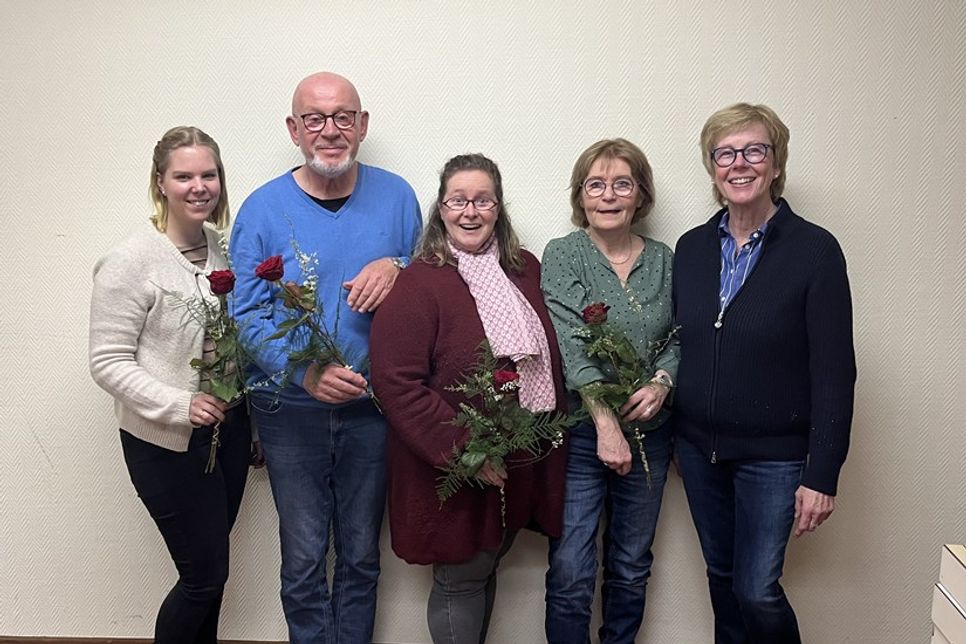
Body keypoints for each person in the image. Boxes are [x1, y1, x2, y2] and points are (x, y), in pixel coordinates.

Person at [229, 71, 421, 644]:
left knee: (363, 553)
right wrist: (303, 370)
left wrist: (399, 267)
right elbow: (245, 314)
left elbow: (439, 279)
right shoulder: (261, 209)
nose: (330, 130)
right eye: (315, 118)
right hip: (290, 412)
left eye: (343, 117)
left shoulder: (399, 197)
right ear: (295, 129)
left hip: (374, 409)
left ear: (362, 126)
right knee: (305, 557)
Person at [672, 103, 856, 644]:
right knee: (723, 582)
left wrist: (822, 472)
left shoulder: (815, 250)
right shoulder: (691, 249)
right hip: (700, 453)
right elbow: (682, 345)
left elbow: (834, 371)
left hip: (774, 457)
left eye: (755, 150)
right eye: (725, 153)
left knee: (756, 588)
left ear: (776, 163)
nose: (739, 164)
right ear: (712, 167)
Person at [369, 153, 567, 643]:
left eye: (483, 200)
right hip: (450, 468)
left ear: (499, 207)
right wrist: (466, 452)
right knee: (459, 578)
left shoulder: (525, 271)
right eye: (458, 200)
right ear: (441, 208)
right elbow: (396, 383)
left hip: (516, 461)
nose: (470, 212)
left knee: (484, 566)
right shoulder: (420, 282)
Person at [89, 126, 252, 643]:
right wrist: (180, 404)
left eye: (209, 175)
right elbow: (107, 362)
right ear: (161, 182)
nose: (198, 186)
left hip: (227, 436)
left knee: (214, 576)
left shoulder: (225, 251)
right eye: (184, 176)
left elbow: (239, 342)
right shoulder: (130, 261)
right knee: (202, 578)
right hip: (166, 443)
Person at [540, 138, 678, 643]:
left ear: (640, 194)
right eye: (595, 184)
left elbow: (679, 336)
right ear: (581, 196)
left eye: (622, 183)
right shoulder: (563, 255)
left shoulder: (665, 259)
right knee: (572, 569)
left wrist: (663, 381)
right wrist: (604, 425)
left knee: (630, 564)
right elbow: (571, 347)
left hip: (653, 433)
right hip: (582, 434)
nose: (608, 195)